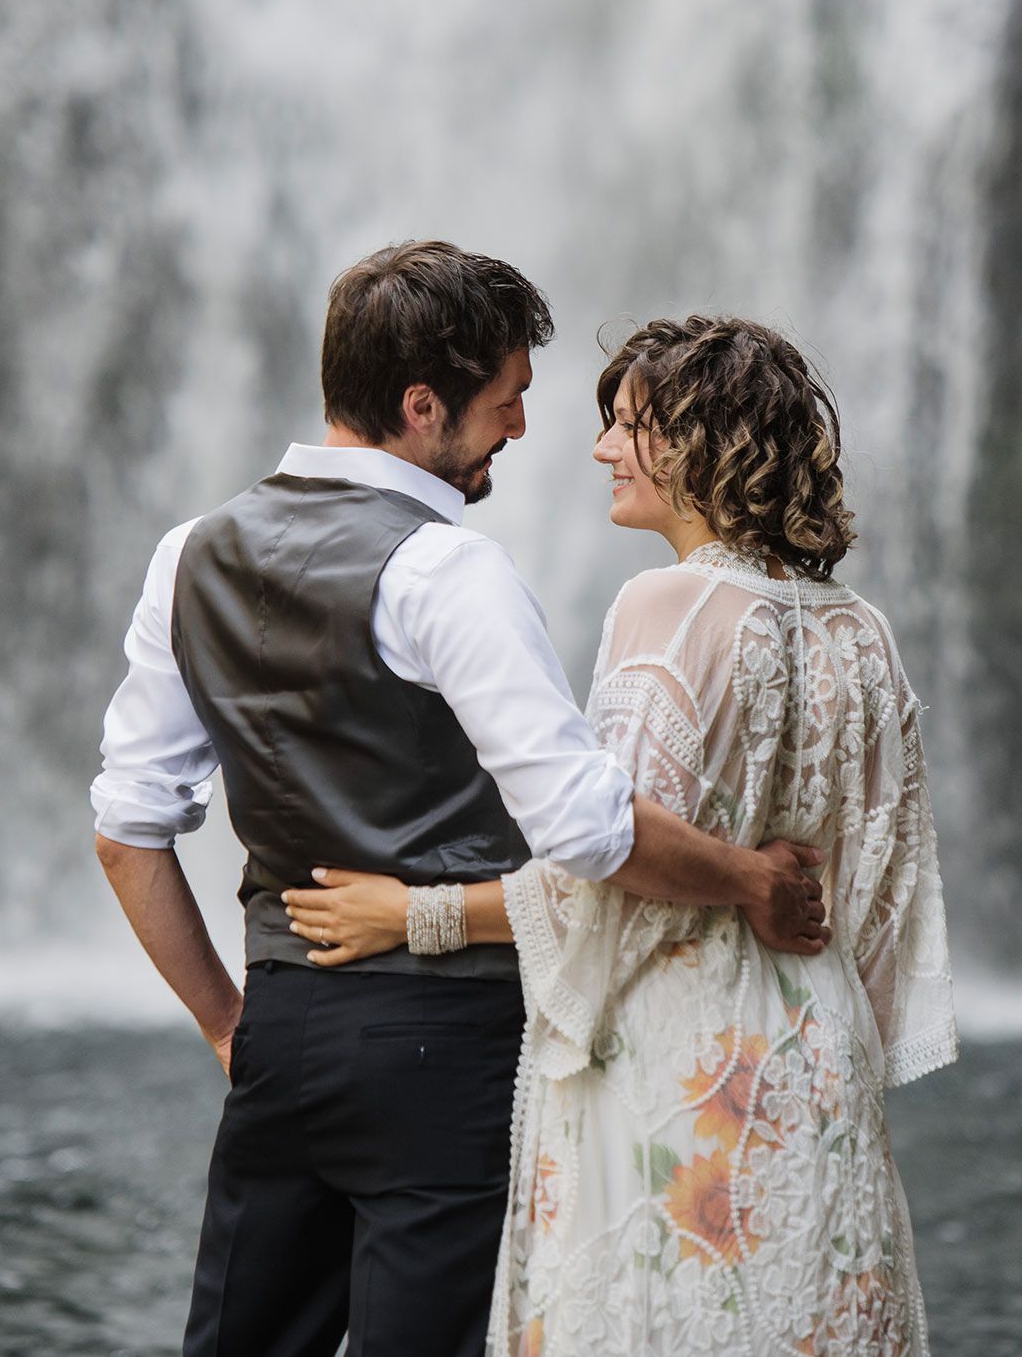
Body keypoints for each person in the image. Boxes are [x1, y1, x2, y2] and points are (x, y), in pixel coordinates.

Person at [88, 245, 831, 1357]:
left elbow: (126, 830)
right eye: (507, 401)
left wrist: (228, 1022)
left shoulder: (185, 551)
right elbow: (584, 826)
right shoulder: (446, 570)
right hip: (449, 1045)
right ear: (419, 403)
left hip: (281, 1031)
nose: (522, 430)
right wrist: (749, 877)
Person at [287, 314, 957, 1356]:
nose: (602, 448)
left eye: (630, 426)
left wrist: (413, 914)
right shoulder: (861, 632)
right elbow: (875, 894)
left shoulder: (668, 605)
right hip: (814, 1055)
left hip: (680, 1065)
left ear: (704, 442)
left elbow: (602, 866)